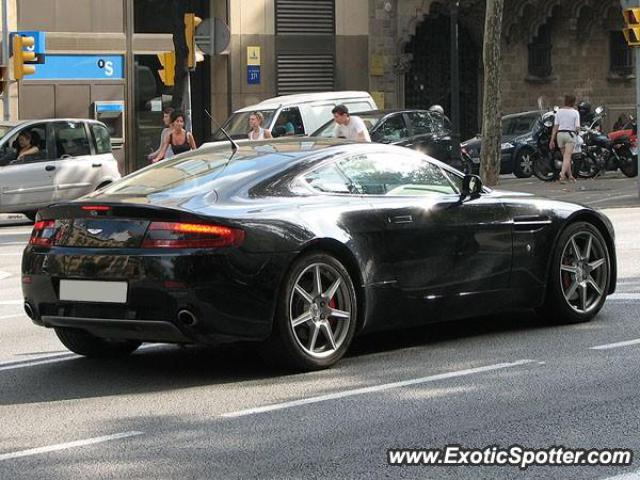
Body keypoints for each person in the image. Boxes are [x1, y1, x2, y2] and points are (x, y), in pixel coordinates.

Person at [549, 94, 580, 184]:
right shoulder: (575, 112)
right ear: (573, 102)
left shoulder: (559, 112)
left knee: (565, 157)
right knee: (567, 157)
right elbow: (577, 127)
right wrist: (577, 132)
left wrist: (552, 140)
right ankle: (562, 175)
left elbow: (555, 127)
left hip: (560, 135)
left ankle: (570, 176)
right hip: (570, 135)